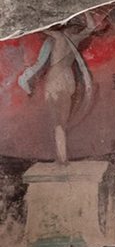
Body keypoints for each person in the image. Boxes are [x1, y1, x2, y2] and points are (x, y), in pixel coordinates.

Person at [17, 11, 104, 164]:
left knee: (58, 123)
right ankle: (62, 157)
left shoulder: (58, 37)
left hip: (56, 80)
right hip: (69, 79)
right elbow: (91, 27)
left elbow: (40, 28)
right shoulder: (75, 39)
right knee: (62, 122)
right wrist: (86, 11)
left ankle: (62, 159)